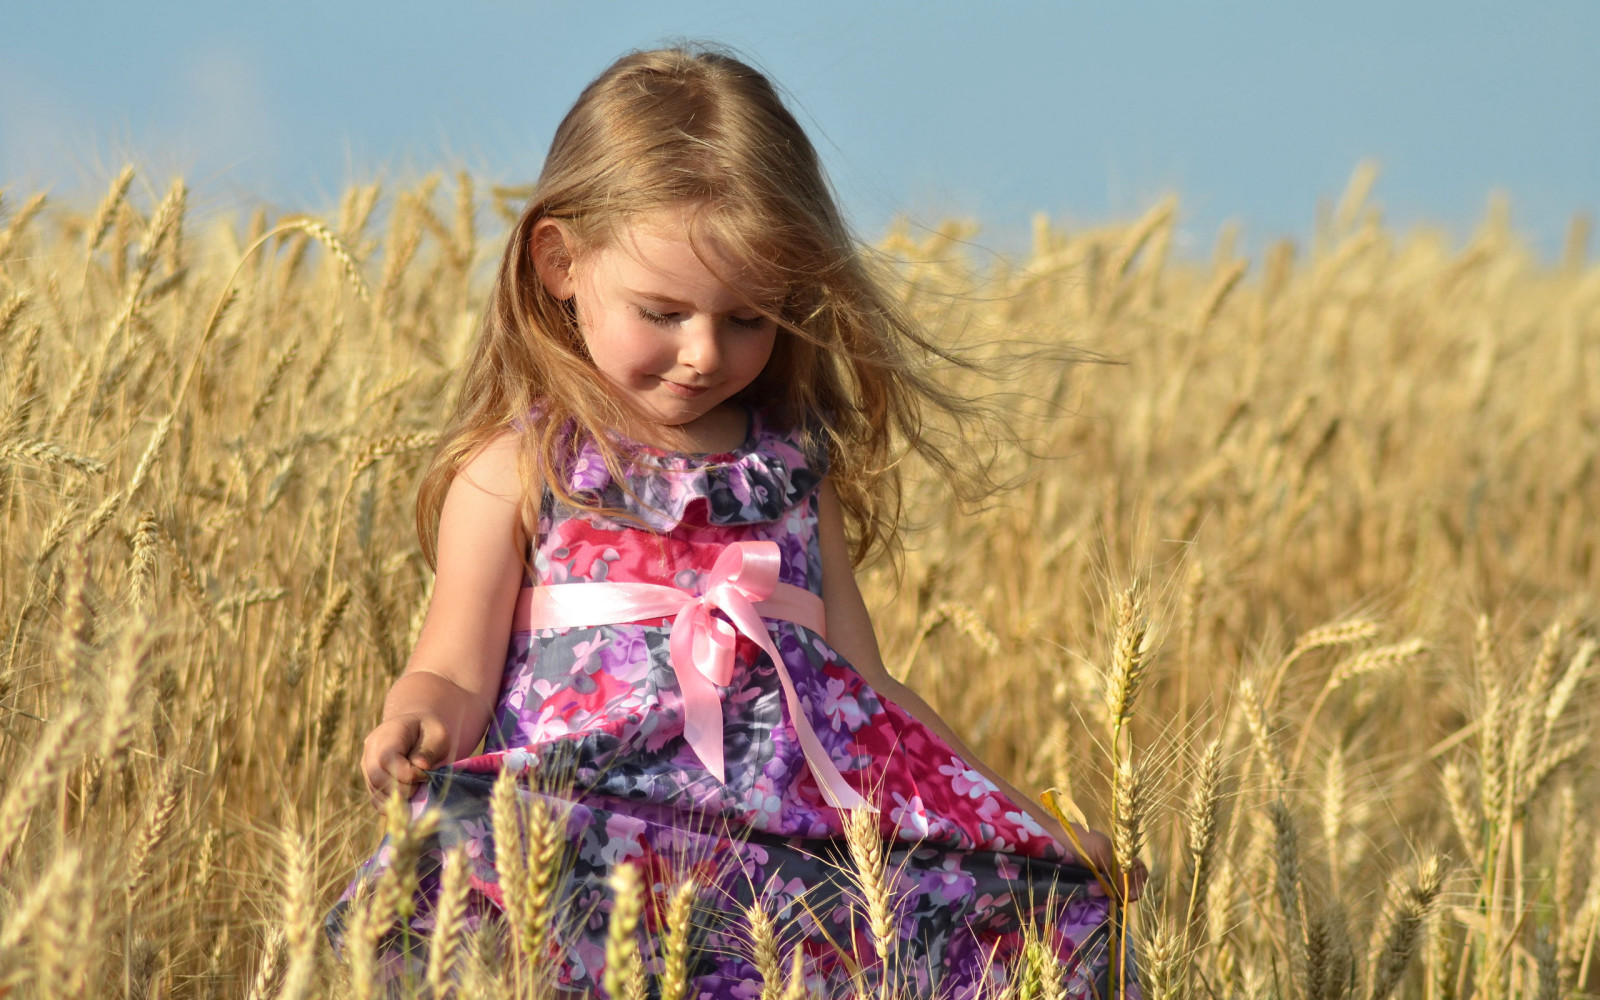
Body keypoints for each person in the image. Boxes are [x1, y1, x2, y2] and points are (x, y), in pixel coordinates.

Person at [329, 44, 1145, 999]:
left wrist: (1024, 829)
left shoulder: (795, 479)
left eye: (749, 319)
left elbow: (871, 698)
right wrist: (415, 722)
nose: (704, 352)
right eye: (661, 312)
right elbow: (457, 668)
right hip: (584, 842)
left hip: (788, 872)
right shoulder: (519, 469)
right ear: (560, 262)